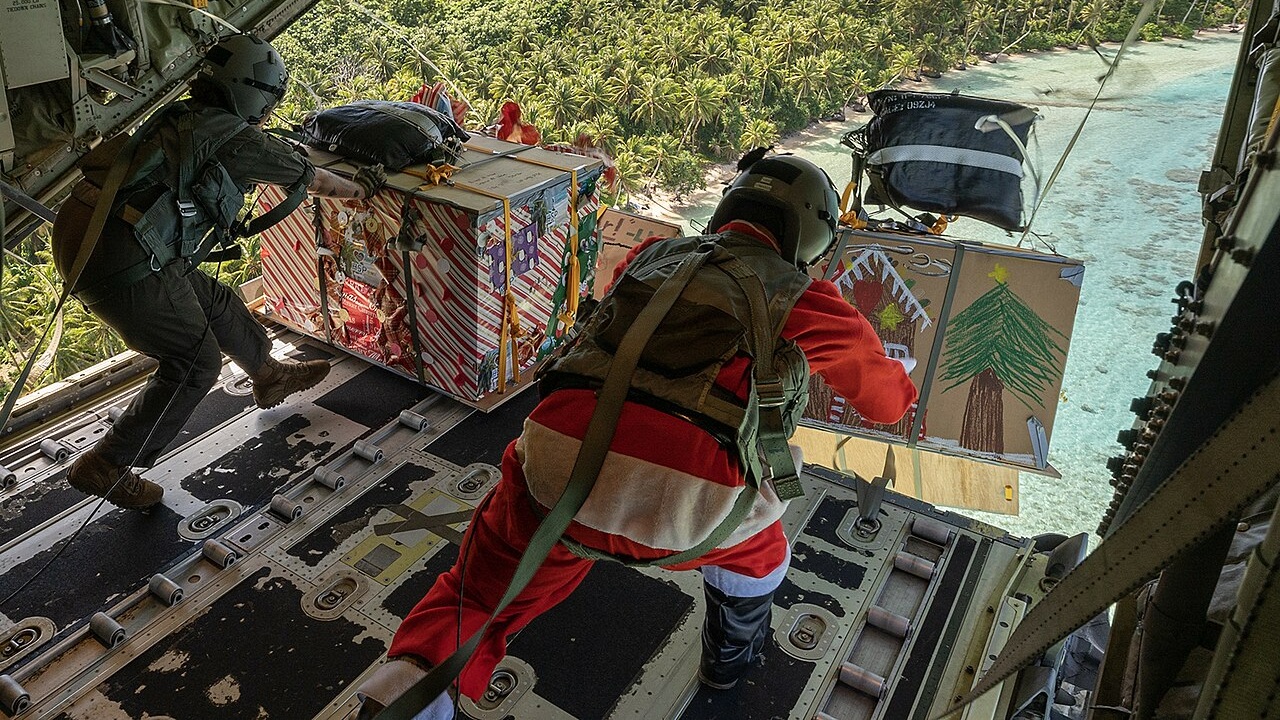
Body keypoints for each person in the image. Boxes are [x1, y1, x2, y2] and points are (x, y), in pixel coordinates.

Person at [353, 154, 918, 718]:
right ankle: (728, 666)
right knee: (761, 556)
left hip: (559, 467)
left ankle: (405, 692)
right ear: (811, 235)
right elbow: (888, 404)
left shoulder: (652, 258)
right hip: (693, 511)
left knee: (474, 596)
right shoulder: (812, 302)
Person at [51, 34, 384, 510]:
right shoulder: (235, 136)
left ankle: (266, 372)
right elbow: (312, 176)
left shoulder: (185, 115)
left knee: (217, 301)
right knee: (195, 362)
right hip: (121, 252)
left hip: (95, 228)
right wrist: (361, 188)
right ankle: (108, 463)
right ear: (256, 94)